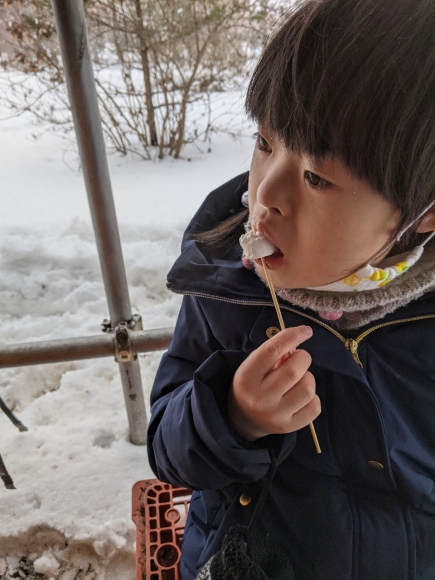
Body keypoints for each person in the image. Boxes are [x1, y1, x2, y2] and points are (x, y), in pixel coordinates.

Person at [147, 0, 435, 578]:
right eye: (264, 142)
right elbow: (168, 451)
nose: (264, 196)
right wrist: (232, 415)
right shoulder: (225, 290)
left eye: (317, 178)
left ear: (423, 213)